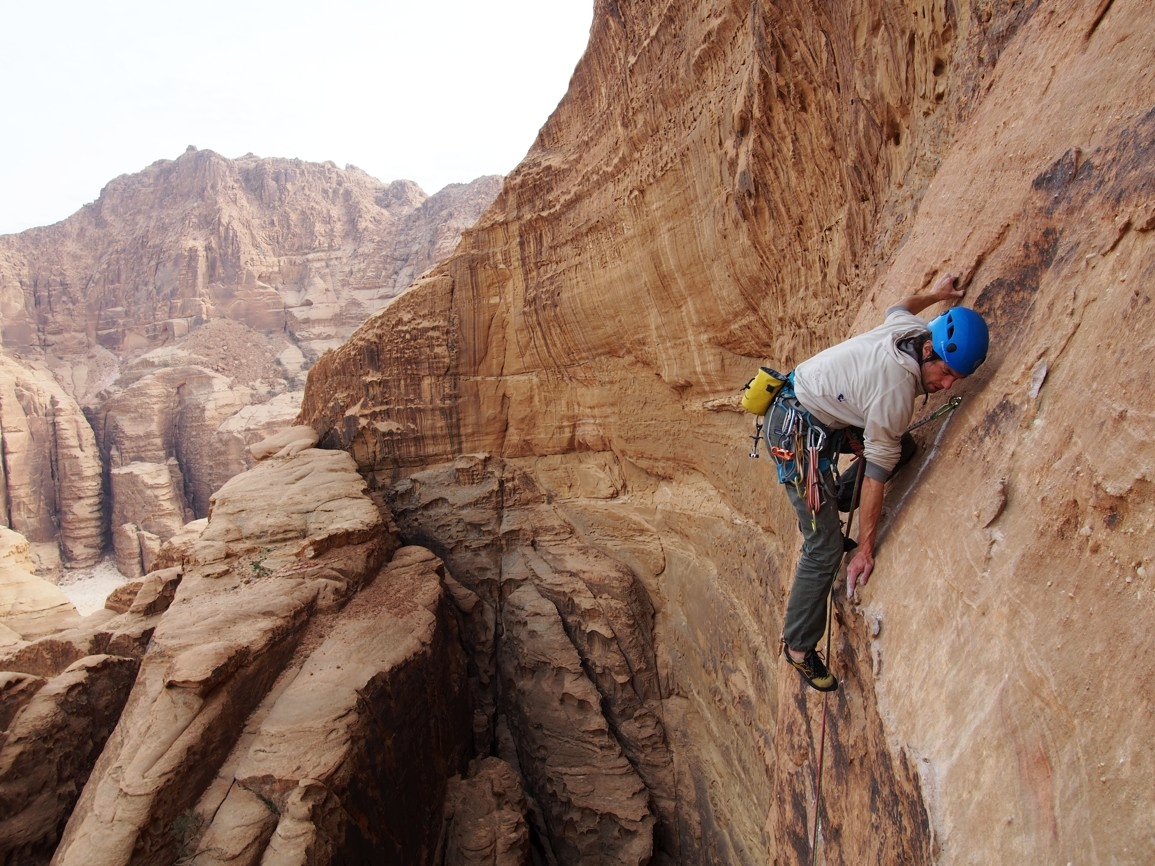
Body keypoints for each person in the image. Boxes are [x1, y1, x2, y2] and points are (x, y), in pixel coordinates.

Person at [765, 273, 990, 691]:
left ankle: (834, 504)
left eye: (955, 381)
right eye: (944, 373)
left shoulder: (912, 331)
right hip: (795, 435)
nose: (944, 386)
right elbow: (876, 472)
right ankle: (797, 648)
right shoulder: (897, 391)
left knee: (898, 446)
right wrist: (864, 549)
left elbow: (900, 305)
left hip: (815, 413)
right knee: (825, 548)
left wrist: (937, 295)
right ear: (928, 350)